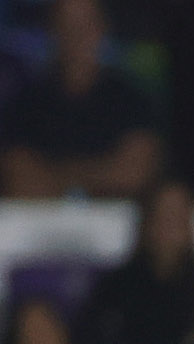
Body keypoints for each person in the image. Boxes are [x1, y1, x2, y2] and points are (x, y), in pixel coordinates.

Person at [0, 0, 160, 202]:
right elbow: (17, 179)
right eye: (67, 26)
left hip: (120, 227)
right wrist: (100, 175)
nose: (76, 36)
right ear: (51, 30)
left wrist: (58, 177)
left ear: (103, 29)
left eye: (85, 25)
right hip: (38, 226)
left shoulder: (134, 101)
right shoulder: (23, 104)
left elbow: (133, 175)